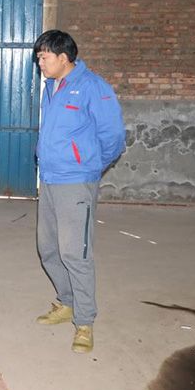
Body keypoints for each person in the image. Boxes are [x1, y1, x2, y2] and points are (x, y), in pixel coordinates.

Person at [32, 30, 125, 353]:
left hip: (76, 181)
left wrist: (90, 166)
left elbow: (113, 136)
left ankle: (84, 322)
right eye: (39, 57)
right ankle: (67, 301)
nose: (40, 63)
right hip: (50, 179)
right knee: (48, 248)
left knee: (76, 253)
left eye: (44, 57)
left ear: (63, 57)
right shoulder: (52, 86)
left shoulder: (92, 87)